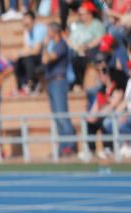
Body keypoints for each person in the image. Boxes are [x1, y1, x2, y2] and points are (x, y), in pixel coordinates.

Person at [43, 22, 78, 157]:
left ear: (54, 32)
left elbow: (47, 59)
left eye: (49, 31)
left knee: (62, 116)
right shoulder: (53, 45)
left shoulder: (61, 44)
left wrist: (45, 46)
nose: (47, 34)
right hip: (52, 82)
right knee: (57, 117)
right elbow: (44, 58)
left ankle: (69, 146)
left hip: (59, 81)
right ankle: (63, 147)